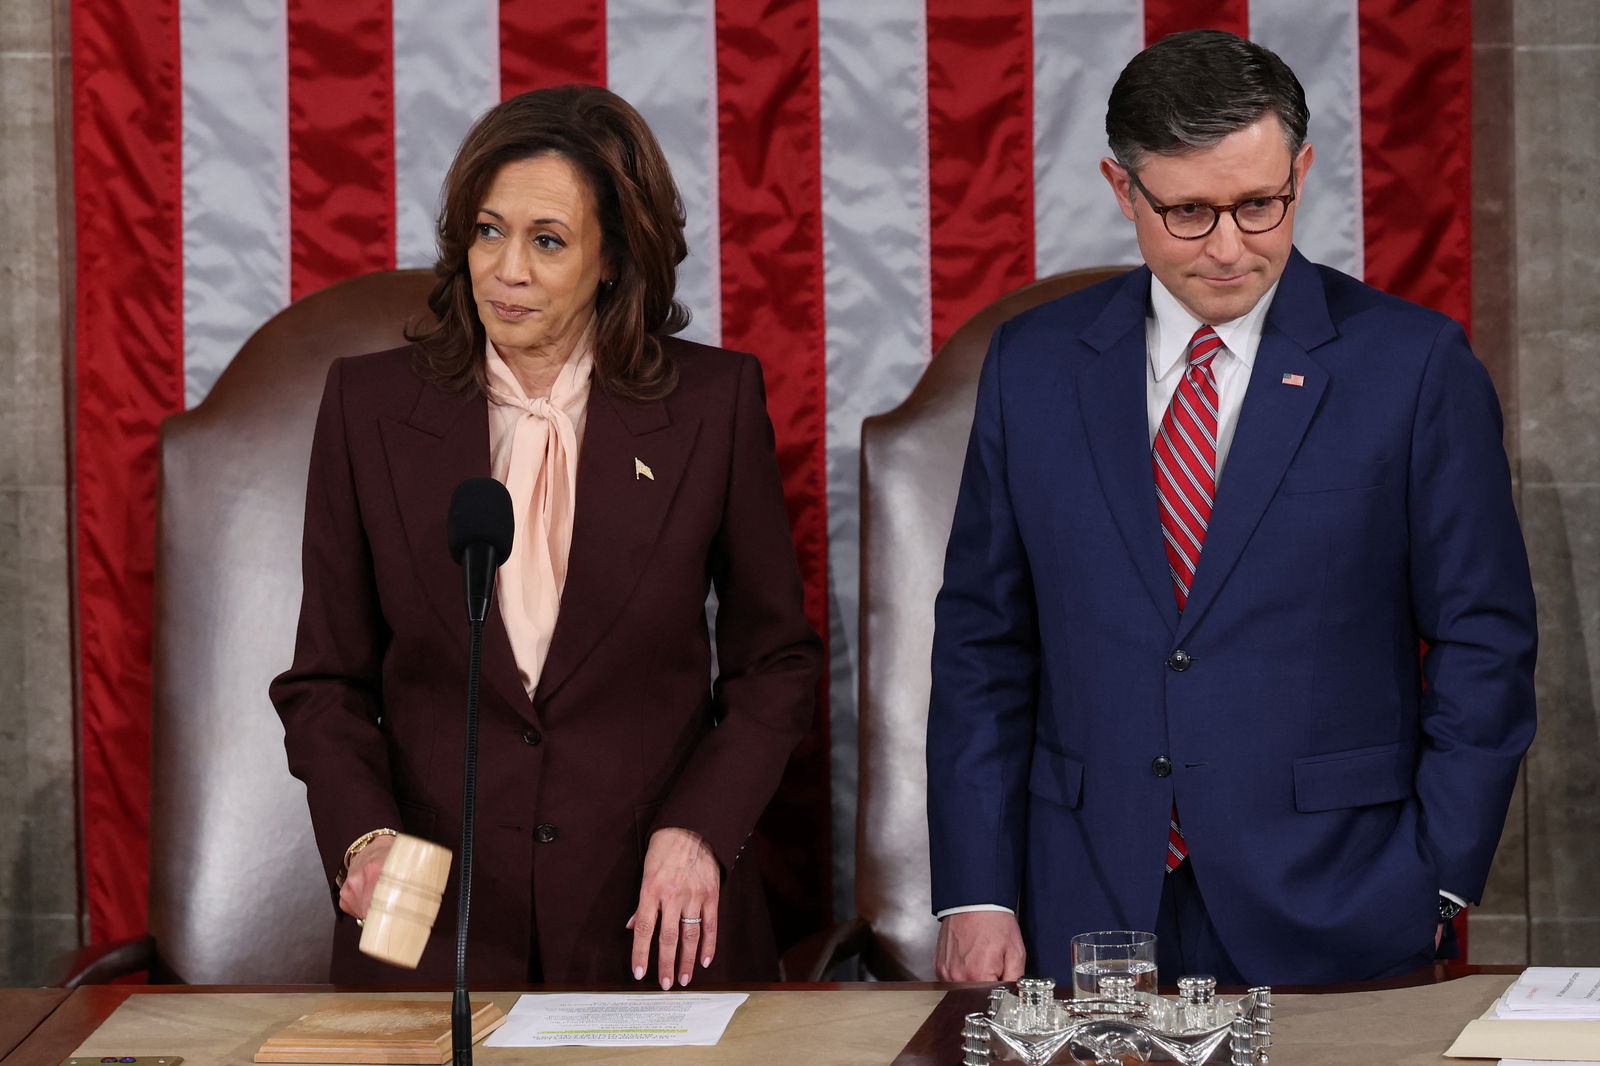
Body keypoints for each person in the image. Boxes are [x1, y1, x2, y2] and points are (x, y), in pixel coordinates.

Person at [926, 29, 1536, 987]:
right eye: (1187, 212)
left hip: (1341, 900)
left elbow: (1484, 639)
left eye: (1259, 205)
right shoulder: (1032, 368)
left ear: (1301, 169)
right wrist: (977, 889)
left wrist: (1439, 880)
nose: (1227, 248)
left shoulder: (1412, 368)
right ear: (1122, 188)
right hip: (1082, 901)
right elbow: (982, 644)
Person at [270, 85, 821, 989]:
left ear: (614, 258)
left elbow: (775, 664)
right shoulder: (368, 408)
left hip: (652, 926)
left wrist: (699, 832)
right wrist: (364, 837)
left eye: (547, 241)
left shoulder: (711, 407)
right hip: (434, 932)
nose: (506, 270)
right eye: (488, 233)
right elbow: (325, 678)